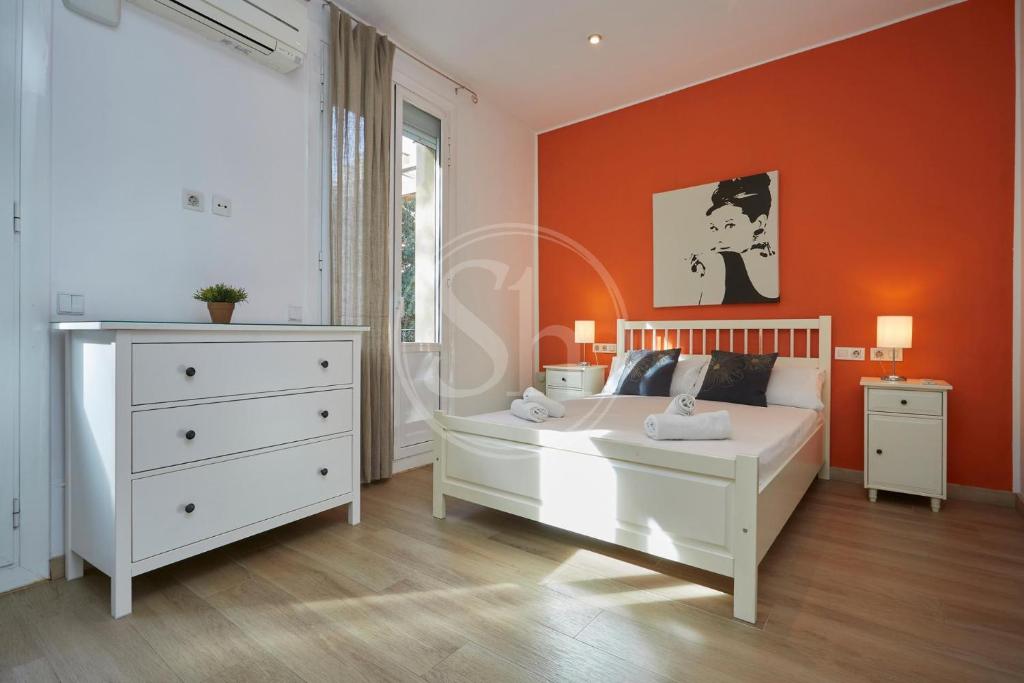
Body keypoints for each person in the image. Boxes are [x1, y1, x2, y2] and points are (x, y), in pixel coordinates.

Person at [687, 173, 779, 304]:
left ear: (759, 223)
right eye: (714, 228)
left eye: (730, 225)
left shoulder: (718, 262)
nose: (719, 238)